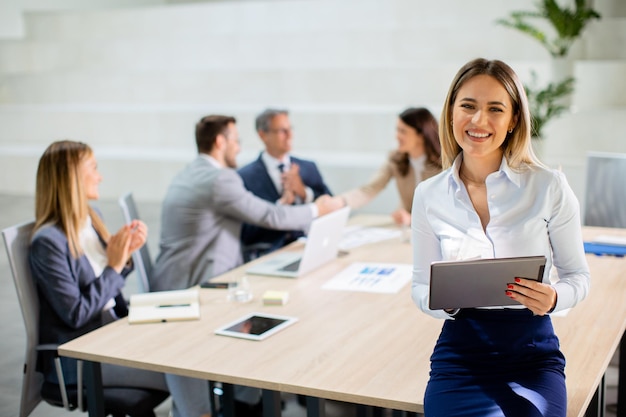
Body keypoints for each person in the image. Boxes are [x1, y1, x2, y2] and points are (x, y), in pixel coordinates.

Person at [410, 58, 590, 417]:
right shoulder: (429, 195)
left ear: (513, 121)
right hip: (461, 353)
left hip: (532, 351)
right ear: (450, 114)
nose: (479, 121)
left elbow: (579, 278)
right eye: (468, 106)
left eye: (495, 109)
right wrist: (445, 300)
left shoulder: (548, 186)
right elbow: (418, 286)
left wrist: (554, 298)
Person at [151, 115, 341, 416]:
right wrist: (319, 208)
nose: (239, 148)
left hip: (190, 276)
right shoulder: (219, 179)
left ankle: (244, 401)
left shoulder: (194, 171)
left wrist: (286, 202)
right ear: (219, 142)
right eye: (236, 141)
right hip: (189, 286)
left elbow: (260, 212)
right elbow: (268, 218)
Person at [28, 141, 177, 414]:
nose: (100, 176)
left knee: (184, 351)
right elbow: (75, 313)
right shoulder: (48, 242)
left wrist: (125, 254)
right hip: (83, 358)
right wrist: (115, 265)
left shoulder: (90, 217)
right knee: (181, 373)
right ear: (71, 177)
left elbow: (109, 280)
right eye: (93, 168)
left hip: (113, 335)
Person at [237, 108, 333, 260]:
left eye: (290, 129)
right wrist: (281, 205)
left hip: (311, 247)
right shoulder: (244, 177)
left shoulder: (308, 167)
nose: (289, 135)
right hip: (269, 254)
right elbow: (245, 231)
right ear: (263, 135)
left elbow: (330, 205)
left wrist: (303, 192)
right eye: (282, 131)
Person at [331, 107, 441, 225]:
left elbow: (447, 209)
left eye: (403, 131)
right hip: (405, 229)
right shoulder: (396, 159)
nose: (397, 136)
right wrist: (340, 201)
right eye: (397, 130)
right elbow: (370, 189)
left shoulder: (445, 164)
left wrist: (413, 220)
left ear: (421, 135)